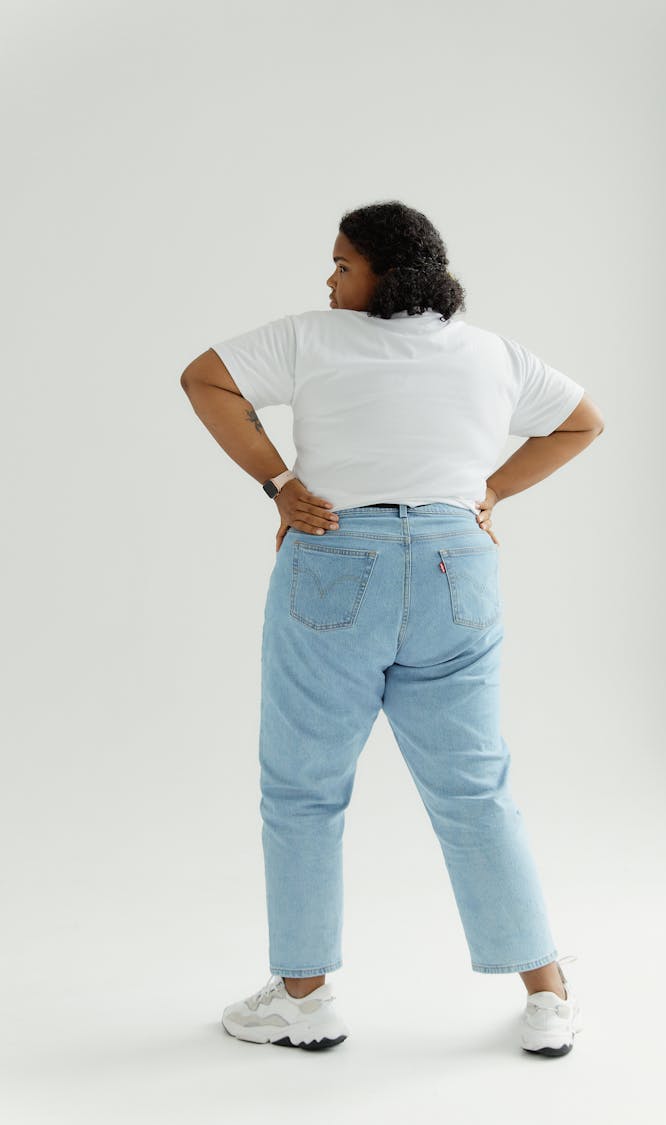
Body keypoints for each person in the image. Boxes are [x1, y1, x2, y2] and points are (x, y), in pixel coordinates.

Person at [180, 200, 605, 1055]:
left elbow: (203, 378)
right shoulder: (489, 351)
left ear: (384, 272)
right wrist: (488, 491)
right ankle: (547, 994)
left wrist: (279, 484)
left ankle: (302, 998)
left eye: (342, 265)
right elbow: (581, 422)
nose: (330, 279)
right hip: (459, 565)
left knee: (304, 786)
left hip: (337, 554)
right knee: (475, 785)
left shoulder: (310, 337)